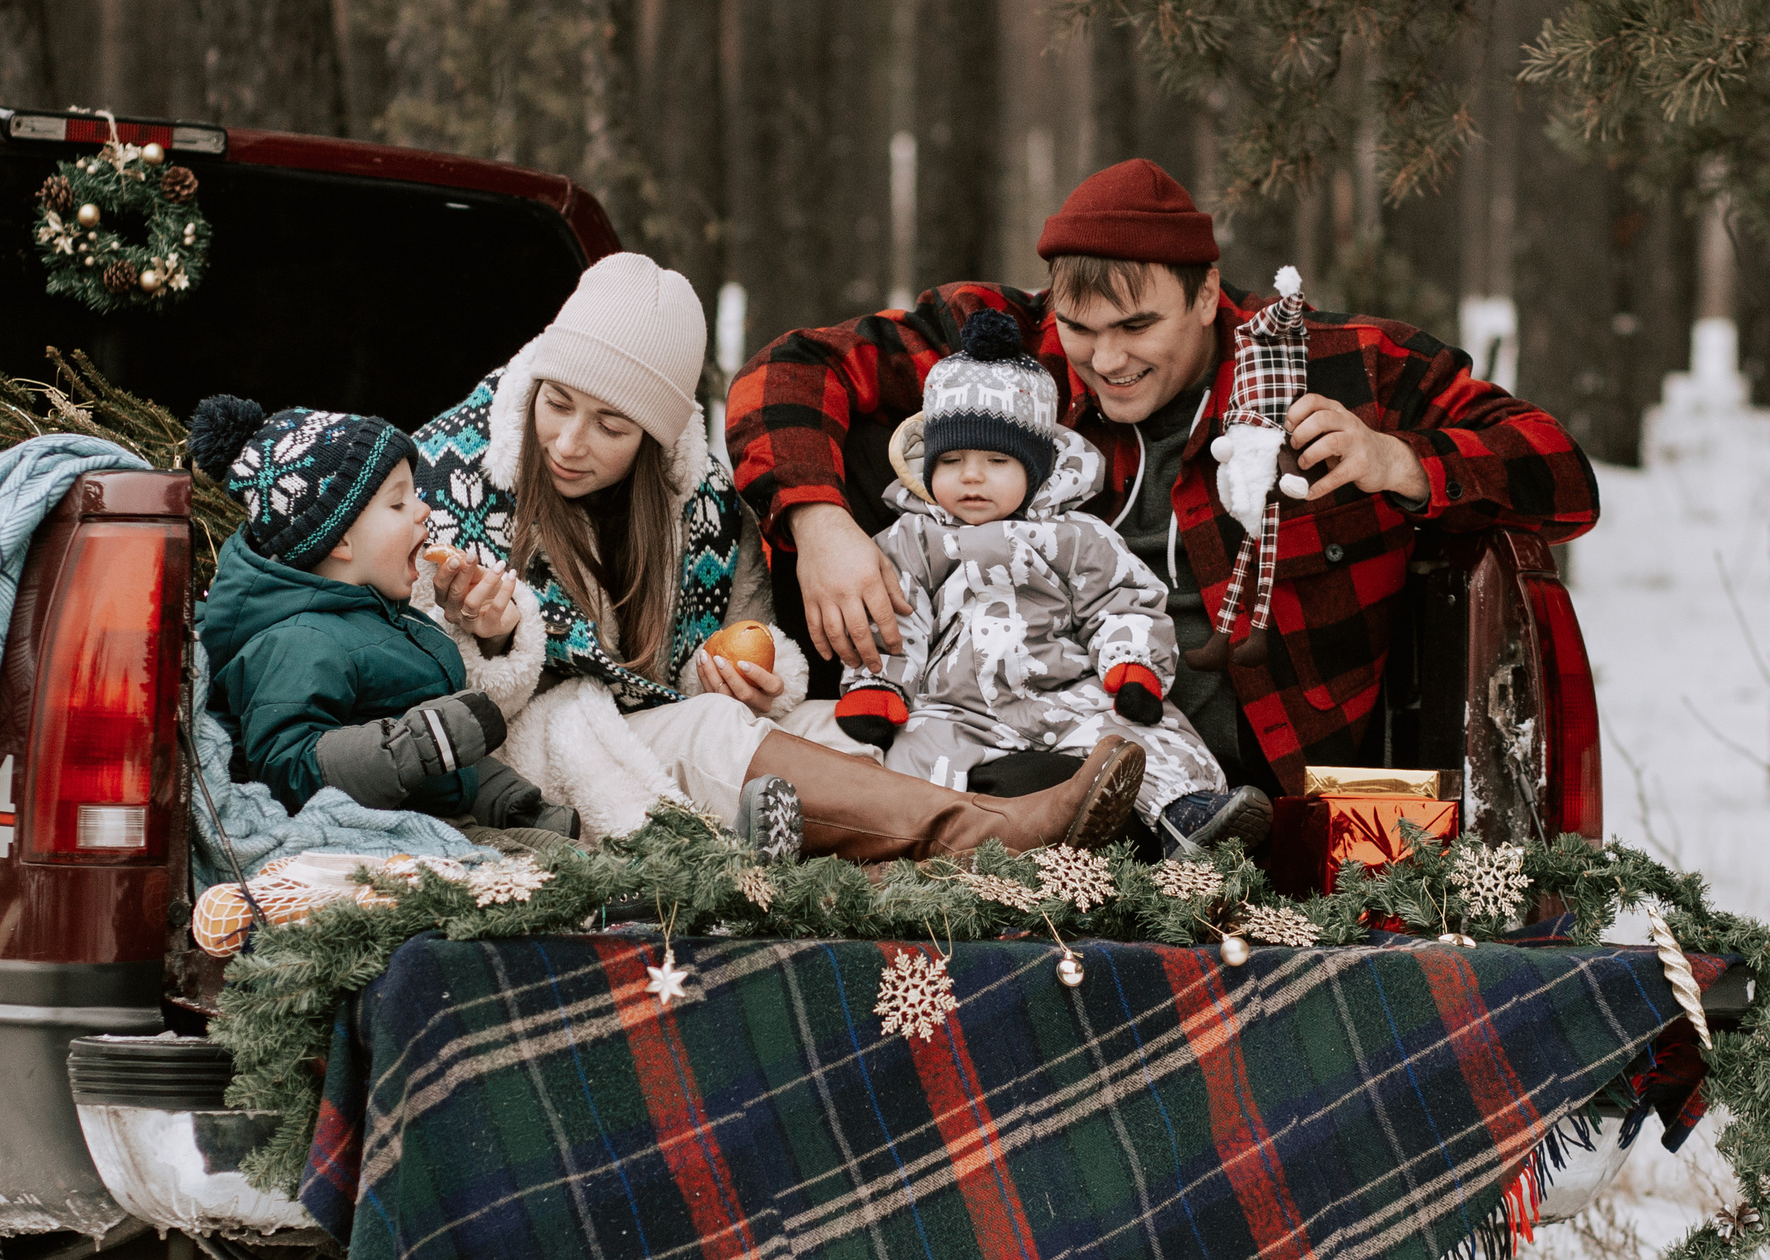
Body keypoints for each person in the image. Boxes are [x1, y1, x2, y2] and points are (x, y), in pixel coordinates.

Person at [725, 158, 1600, 800]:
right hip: (1005, 764)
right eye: (1080, 326)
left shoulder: (1333, 366)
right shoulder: (1000, 344)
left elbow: (1560, 470)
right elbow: (785, 374)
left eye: (1137, 325)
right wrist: (818, 520)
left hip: (1263, 813)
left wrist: (1398, 461)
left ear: (1207, 290)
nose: (1106, 360)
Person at [411, 251, 1144, 861]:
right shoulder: (450, 477)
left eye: (610, 425)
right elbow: (414, 695)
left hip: (653, 726)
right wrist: (492, 637)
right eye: (558, 404)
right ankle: (990, 836)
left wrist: (742, 678)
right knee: (712, 733)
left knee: (839, 724)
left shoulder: (694, 510)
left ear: (655, 440)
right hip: (534, 758)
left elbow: (740, 652)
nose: (570, 443)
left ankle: (1023, 818)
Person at [840, 309, 1272, 849]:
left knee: (1139, 738)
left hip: (1065, 694)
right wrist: (878, 686)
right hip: (952, 706)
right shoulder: (913, 539)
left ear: (1036, 468)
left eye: (997, 460)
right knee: (910, 762)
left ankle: (1188, 815)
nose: (971, 476)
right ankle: (922, 850)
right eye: (951, 459)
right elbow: (894, 616)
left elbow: (1123, 603)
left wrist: (1132, 666)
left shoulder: (1075, 537)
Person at [188, 395, 579, 837]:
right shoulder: (296, 641)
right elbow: (289, 770)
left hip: (438, 827)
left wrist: (512, 802)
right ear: (340, 542)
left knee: (586, 869)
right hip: (372, 848)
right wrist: (420, 743)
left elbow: (442, 773)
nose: (423, 509)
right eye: (398, 504)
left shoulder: (384, 618)